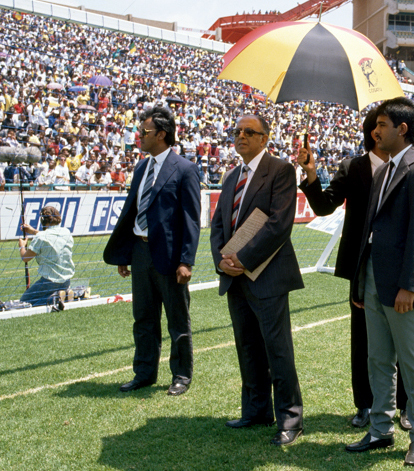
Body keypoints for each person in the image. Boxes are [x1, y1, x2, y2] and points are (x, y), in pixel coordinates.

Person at [347, 97, 414, 467]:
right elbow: (370, 230)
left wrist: (410, 285)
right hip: (373, 276)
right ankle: (380, 428)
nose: (376, 130)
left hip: (401, 283)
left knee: (411, 360)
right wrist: (361, 279)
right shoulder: (384, 169)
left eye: (383, 124)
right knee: (378, 358)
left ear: (402, 129)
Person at [297, 108, 410, 431]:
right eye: (375, 126)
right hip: (361, 267)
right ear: (370, 132)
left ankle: (404, 404)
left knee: (400, 338)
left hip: (397, 265)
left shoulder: (407, 167)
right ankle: (365, 404)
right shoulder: (353, 167)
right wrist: (311, 174)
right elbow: (322, 206)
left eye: (383, 125)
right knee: (362, 340)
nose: (378, 131)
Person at [210, 115, 305, 447]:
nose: (241, 136)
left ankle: (290, 417)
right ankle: (256, 410)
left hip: (267, 276)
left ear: (265, 138)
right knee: (247, 346)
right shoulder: (231, 176)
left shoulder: (280, 171)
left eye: (249, 132)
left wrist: (243, 259)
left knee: (277, 349)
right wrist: (222, 262)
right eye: (237, 131)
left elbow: (279, 224)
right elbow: (219, 225)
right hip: (235, 277)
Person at [103, 106, 200, 396]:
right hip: (140, 252)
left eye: (144, 132)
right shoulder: (141, 167)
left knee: (177, 320)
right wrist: (125, 254)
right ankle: (144, 373)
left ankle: (181, 375)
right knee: (143, 318)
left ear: (161, 134)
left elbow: (191, 219)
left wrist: (186, 260)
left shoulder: (185, 169)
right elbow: (132, 211)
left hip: (170, 259)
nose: (139, 136)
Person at [19, 206, 74, 307]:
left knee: (24, 302)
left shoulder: (41, 237)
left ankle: (55, 298)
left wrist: (21, 246)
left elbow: (25, 258)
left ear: (42, 220)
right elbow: (50, 236)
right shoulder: (66, 232)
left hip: (49, 282)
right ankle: (62, 295)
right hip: (66, 280)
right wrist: (33, 231)